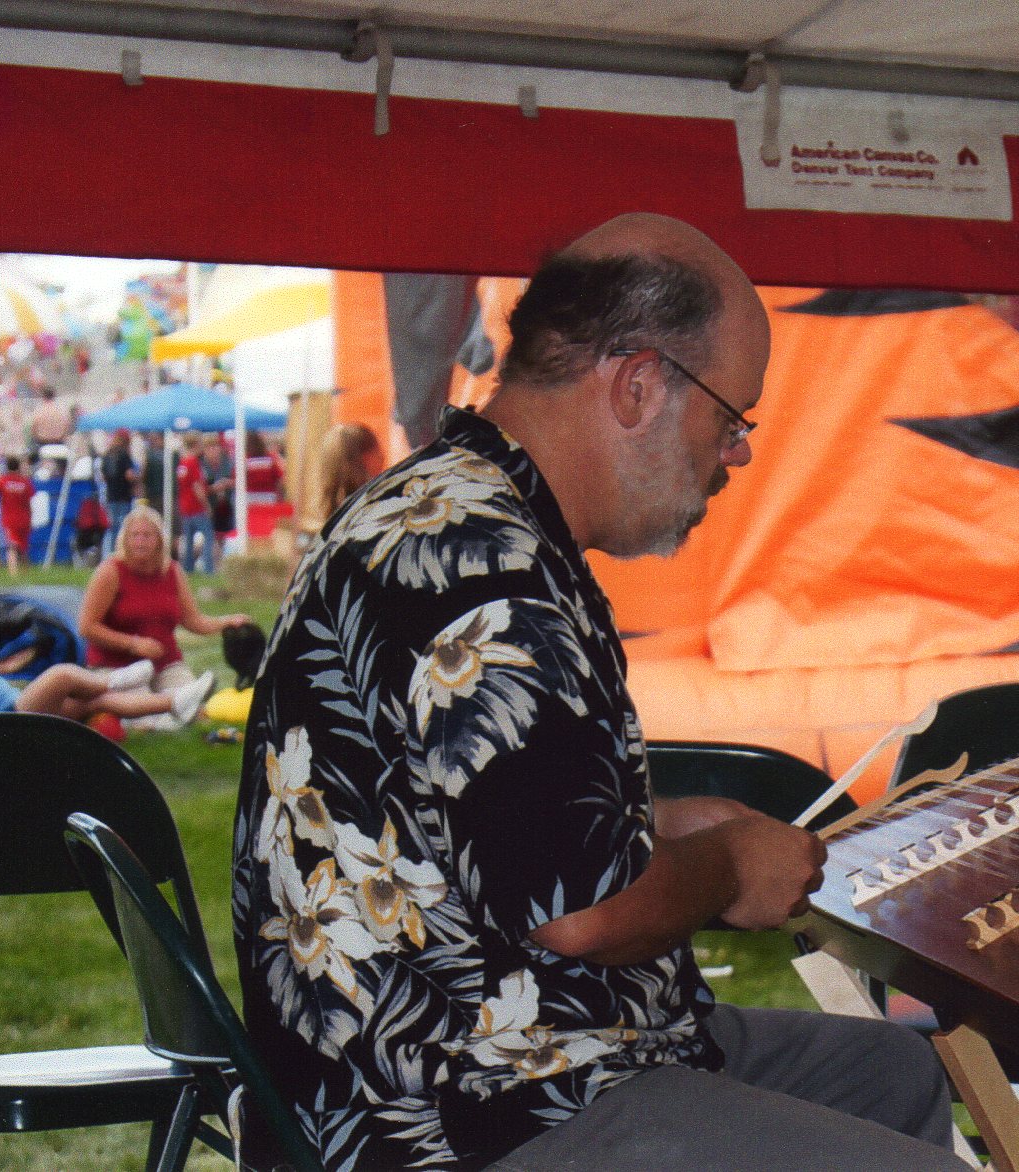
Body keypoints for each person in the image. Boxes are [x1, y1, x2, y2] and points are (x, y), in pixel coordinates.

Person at [232, 213, 960, 1171]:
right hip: (465, 1110)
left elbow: (491, 827)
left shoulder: (462, 511)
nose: (736, 454)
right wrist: (733, 866)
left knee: (891, 1075)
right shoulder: (478, 564)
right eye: (730, 418)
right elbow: (587, 918)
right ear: (637, 386)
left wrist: (667, 820)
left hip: (524, 1053)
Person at [79, 504, 249, 727]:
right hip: (119, 666)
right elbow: (87, 627)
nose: (140, 541)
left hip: (165, 663)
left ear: (160, 539)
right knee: (150, 719)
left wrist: (226, 621)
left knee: (193, 712)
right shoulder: (111, 571)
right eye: (134, 535)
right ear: (125, 539)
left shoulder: (173, 571)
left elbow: (192, 620)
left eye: (147, 536)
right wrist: (133, 644)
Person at [0, 610, 215, 723]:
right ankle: (113, 679)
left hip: (11, 710)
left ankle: (176, 702)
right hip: (6, 717)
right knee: (61, 675)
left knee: (95, 703)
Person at [310, 422, 383, 524]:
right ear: (364, 458)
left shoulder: (331, 516)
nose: (382, 456)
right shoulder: (376, 510)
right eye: (377, 450)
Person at [176, 434, 218, 574]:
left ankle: (187, 568)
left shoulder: (182, 463)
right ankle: (208, 568)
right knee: (208, 537)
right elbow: (197, 486)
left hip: (185, 506)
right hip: (196, 507)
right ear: (196, 444)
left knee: (188, 540)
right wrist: (206, 505)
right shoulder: (193, 462)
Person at [0, 456, 35, 576]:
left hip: (10, 519)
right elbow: (31, 499)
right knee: (23, 548)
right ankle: (26, 572)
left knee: (12, 547)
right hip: (25, 518)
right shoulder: (25, 482)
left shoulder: (3, 481)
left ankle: (13, 573)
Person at [100, 427, 140, 554]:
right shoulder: (124, 455)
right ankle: (119, 552)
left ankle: (107, 554)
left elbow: (103, 477)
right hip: (124, 496)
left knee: (110, 528)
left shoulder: (107, 455)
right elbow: (129, 475)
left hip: (110, 495)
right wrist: (138, 477)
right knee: (122, 528)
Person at [199, 433, 237, 538]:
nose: (213, 450)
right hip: (209, 505)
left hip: (228, 505)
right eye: (209, 447)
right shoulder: (200, 464)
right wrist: (212, 489)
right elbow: (197, 486)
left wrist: (229, 483)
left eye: (215, 446)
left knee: (229, 533)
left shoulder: (229, 462)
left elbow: (240, 481)